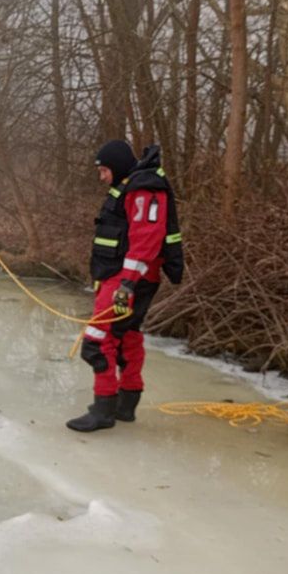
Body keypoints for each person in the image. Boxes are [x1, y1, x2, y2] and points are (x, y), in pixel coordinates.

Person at [67, 140, 184, 432]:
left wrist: (127, 283)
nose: (102, 176)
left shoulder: (143, 188)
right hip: (125, 277)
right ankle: (126, 405)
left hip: (128, 279)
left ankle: (104, 409)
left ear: (117, 166)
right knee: (126, 336)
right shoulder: (132, 186)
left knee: (96, 341)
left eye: (104, 170)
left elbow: (146, 239)